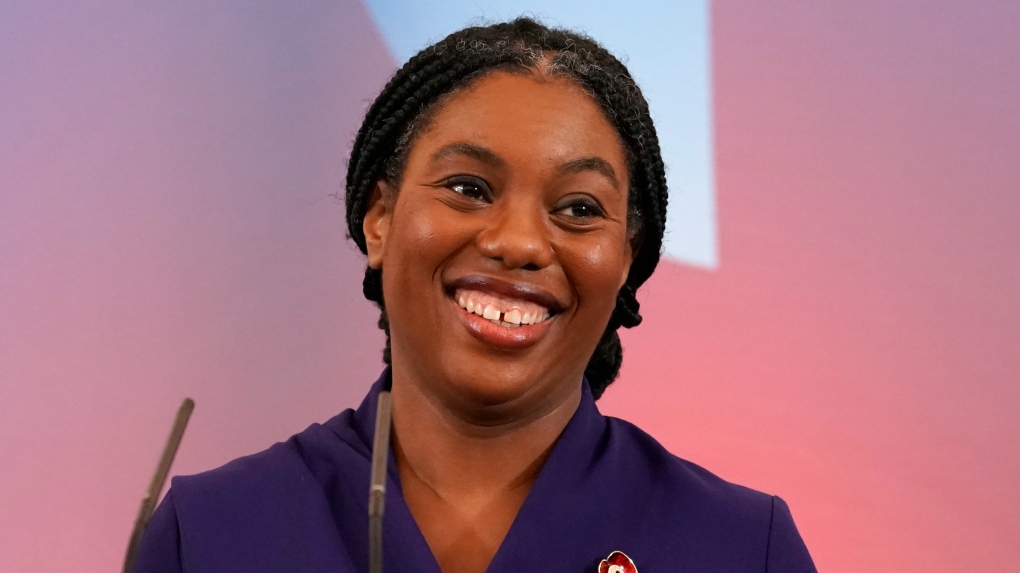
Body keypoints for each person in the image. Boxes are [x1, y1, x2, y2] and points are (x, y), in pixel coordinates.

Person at [134, 18, 816, 573]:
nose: (519, 241)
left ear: (628, 259)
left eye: (578, 207)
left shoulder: (739, 547)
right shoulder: (213, 533)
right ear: (379, 217)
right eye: (468, 188)